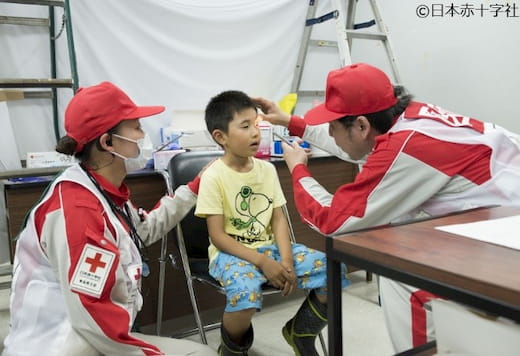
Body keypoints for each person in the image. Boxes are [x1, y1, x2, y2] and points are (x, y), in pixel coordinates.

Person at [254, 62, 520, 352]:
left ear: (361, 124)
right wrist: (290, 121)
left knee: (401, 277)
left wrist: (298, 170)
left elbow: (333, 221)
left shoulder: (408, 148)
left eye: (332, 126)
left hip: (506, 239)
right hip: (500, 220)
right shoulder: (409, 117)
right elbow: (362, 148)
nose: (329, 133)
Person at [3, 82, 217, 356]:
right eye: (137, 127)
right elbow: (92, 317)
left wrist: (194, 188)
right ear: (108, 142)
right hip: (64, 345)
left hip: (94, 337)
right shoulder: (78, 210)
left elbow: (142, 230)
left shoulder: (101, 191)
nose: (144, 135)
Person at [195, 90, 349, 356]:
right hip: (231, 254)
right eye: (245, 127)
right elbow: (218, 237)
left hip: (273, 248)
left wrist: (286, 261)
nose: (256, 132)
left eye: (256, 124)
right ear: (220, 137)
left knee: (333, 270)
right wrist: (263, 262)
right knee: (245, 294)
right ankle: (231, 350)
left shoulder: (266, 169)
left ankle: (300, 332)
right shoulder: (213, 176)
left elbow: (278, 218)